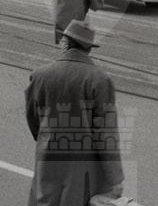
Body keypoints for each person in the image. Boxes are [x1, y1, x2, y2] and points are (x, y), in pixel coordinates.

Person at [25, 20, 124, 206]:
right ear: (89, 49)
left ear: (66, 43)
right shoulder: (100, 80)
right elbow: (106, 134)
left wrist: (47, 138)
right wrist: (115, 178)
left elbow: (33, 119)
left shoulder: (40, 76)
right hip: (83, 167)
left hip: (48, 159)